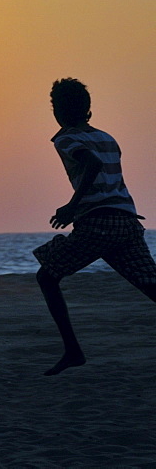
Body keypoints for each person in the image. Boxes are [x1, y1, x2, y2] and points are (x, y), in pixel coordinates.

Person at [32, 78, 156, 376]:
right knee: (150, 285)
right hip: (127, 221)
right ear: (87, 109)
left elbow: (92, 165)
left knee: (47, 277)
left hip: (99, 222)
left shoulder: (65, 139)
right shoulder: (107, 137)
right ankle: (72, 352)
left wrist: (72, 205)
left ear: (58, 111)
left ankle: (73, 352)